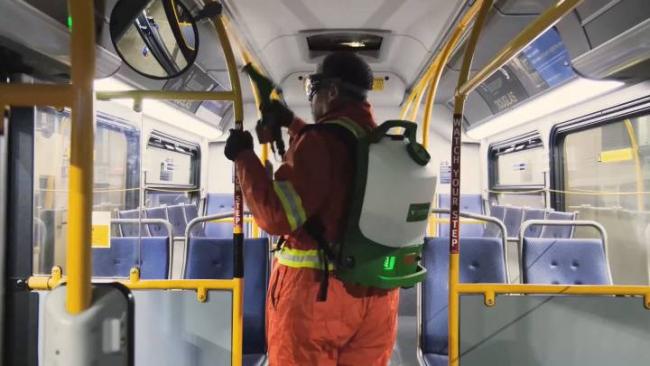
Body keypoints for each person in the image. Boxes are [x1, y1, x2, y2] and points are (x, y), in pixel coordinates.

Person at [224, 52, 399, 365]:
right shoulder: (377, 139)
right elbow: (337, 156)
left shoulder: (320, 142)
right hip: (377, 295)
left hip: (317, 297)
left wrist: (244, 158)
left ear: (331, 92)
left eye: (312, 89)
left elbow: (277, 215)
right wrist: (292, 123)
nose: (311, 99)